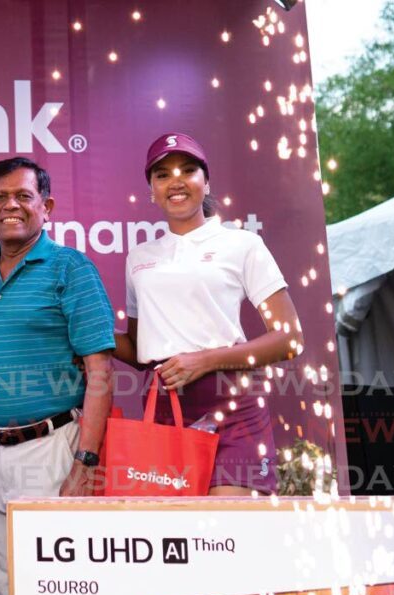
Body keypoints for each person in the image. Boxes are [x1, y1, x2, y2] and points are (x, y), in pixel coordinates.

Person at [0, 157, 115, 595]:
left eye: (24, 196)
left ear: (46, 207)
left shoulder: (71, 268)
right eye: (0, 197)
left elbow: (100, 370)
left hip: (54, 448)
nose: (11, 205)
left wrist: (85, 462)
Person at [113, 132, 304, 495]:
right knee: (176, 538)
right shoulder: (139, 258)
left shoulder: (243, 244)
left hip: (233, 402)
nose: (176, 181)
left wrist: (204, 360)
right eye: (162, 174)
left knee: (229, 532)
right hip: (166, 406)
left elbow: (290, 339)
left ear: (206, 180)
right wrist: (85, 334)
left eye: (188, 170)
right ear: (151, 190)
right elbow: (140, 350)